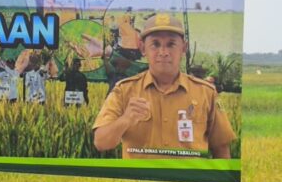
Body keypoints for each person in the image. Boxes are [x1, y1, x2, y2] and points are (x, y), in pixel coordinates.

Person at [93, 14, 236, 159]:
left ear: (183, 48)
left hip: (189, 181)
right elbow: (101, 143)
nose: (163, 52)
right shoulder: (124, 90)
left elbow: (221, 150)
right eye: (155, 44)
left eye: (171, 44)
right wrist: (126, 119)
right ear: (143, 48)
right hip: (139, 181)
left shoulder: (206, 93)